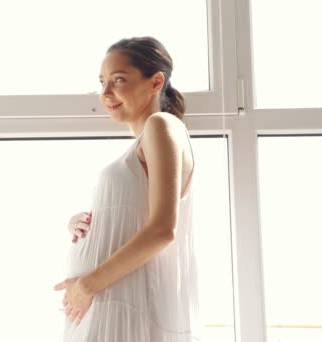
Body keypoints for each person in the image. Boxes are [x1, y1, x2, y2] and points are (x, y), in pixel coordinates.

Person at [54, 37, 201, 341]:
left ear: (155, 81)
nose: (106, 93)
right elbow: (133, 216)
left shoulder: (161, 125)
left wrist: (87, 285)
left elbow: (162, 229)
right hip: (104, 306)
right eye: (102, 82)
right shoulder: (142, 143)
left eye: (119, 80)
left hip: (122, 308)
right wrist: (87, 223)